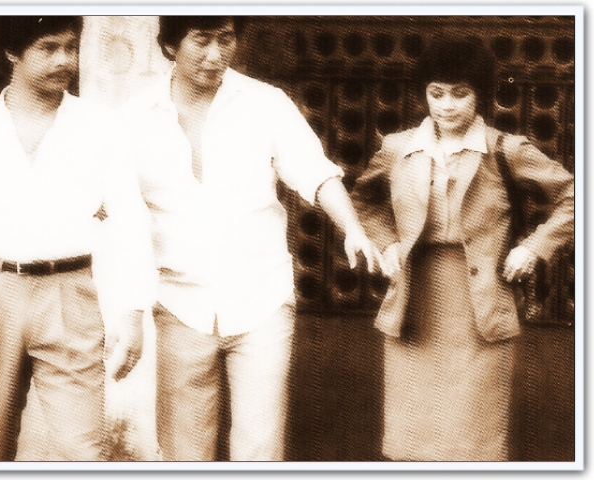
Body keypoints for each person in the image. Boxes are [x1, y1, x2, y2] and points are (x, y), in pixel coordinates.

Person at [117, 16, 382, 461]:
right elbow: (122, 218)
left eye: (225, 39)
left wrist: (352, 228)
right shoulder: (134, 117)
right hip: (180, 303)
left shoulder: (266, 103)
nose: (215, 54)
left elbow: (315, 172)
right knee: (184, 450)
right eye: (202, 40)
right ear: (171, 44)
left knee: (260, 447)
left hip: (262, 298)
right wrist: (130, 307)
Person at [351, 37, 574, 461]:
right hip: (414, 302)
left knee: (474, 440)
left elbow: (575, 197)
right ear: (424, 93)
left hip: (480, 306)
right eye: (436, 93)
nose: (447, 105)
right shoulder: (398, 148)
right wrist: (387, 242)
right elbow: (363, 201)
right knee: (413, 437)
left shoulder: (505, 149)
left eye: (460, 93)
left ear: (480, 95)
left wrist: (534, 248)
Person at [0, 16, 153, 461]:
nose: (64, 60)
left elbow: (130, 218)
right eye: (48, 48)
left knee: (81, 450)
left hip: (70, 295)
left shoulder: (100, 126)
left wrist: (132, 313)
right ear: (13, 52)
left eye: (71, 47)